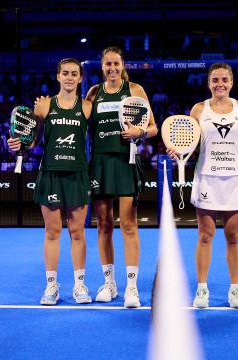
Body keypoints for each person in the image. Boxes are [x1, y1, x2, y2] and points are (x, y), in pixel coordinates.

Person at [167, 63, 238, 309]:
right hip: (207, 179)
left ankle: (234, 290)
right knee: (205, 236)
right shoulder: (199, 109)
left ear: (232, 83)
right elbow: (187, 139)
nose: (220, 83)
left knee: (234, 237)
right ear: (208, 83)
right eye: (215, 80)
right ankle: (202, 290)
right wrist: (177, 150)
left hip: (235, 180)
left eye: (224, 79)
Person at [7, 58, 92, 306]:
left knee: (77, 232)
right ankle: (51, 286)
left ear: (80, 78)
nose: (69, 77)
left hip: (77, 174)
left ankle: (79, 285)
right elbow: (31, 140)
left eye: (74, 74)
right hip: (51, 174)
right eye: (65, 73)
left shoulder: (87, 107)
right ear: (57, 76)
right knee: (52, 232)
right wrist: (18, 143)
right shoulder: (44, 106)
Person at [85, 46, 157, 308]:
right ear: (102, 67)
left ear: (122, 65)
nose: (112, 69)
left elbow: (153, 128)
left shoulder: (135, 90)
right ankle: (109, 284)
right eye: (108, 65)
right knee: (104, 224)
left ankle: (132, 287)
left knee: (128, 225)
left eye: (116, 64)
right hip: (101, 163)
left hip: (126, 163)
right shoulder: (94, 93)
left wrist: (139, 132)